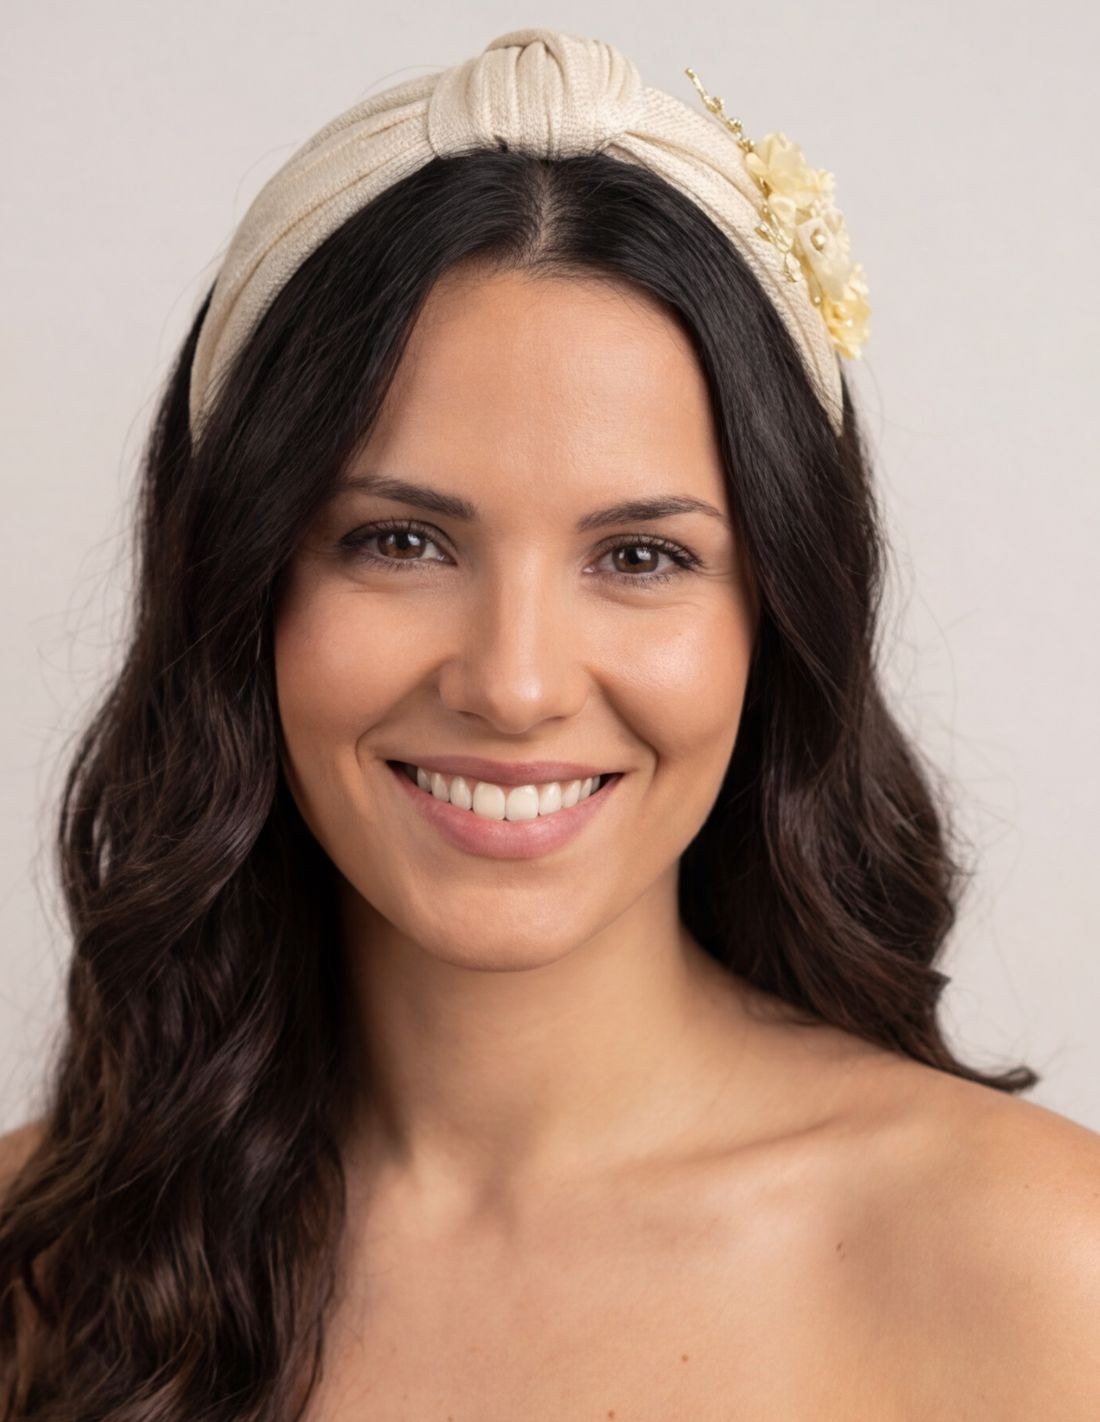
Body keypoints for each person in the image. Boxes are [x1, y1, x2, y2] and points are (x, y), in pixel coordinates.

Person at [2, 26, 1098, 1421]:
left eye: (640, 556)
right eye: (400, 541)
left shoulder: (1044, 1273)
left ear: (779, 618)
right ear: (238, 587)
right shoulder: (39, 1262)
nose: (514, 685)